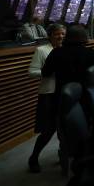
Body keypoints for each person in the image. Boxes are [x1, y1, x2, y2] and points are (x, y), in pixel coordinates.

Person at [27, 24, 66, 173]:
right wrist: (48, 72)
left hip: (63, 94)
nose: (60, 37)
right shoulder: (41, 50)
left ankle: (62, 154)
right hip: (49, 94)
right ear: (50, 35)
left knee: (63, 128)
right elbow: (32, 71)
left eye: (63, 34)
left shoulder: (65, 50)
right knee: (48, 130)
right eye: (57, 34)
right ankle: (33, 157)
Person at [43, 25, 94, 99]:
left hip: (62, 94)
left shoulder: (56, 52)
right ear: (84, 36)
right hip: (85, 94)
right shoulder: (92, 53)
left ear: (67, 36)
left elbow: (46, 73)